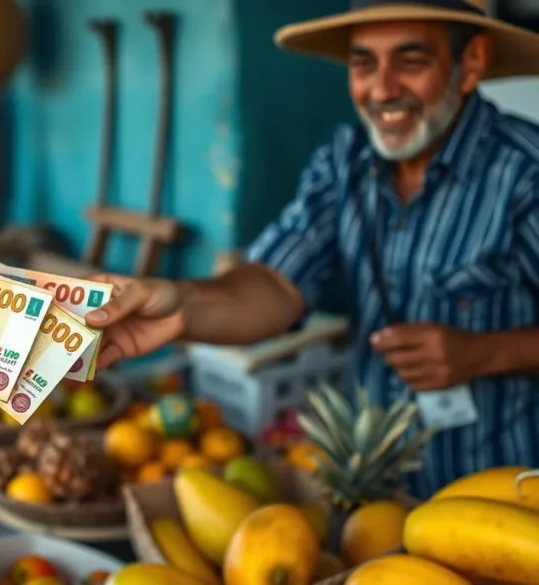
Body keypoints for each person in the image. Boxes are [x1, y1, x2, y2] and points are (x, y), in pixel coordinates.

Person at [85, 0, 539, 499]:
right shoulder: (343, 160)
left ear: (471, 62)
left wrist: (484, 353)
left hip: (500, 495)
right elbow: (276, 283)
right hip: (373, 492)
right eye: (364, 64)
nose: (382, 90)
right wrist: (178, 303)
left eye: (411, 61)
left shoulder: (525, 173)